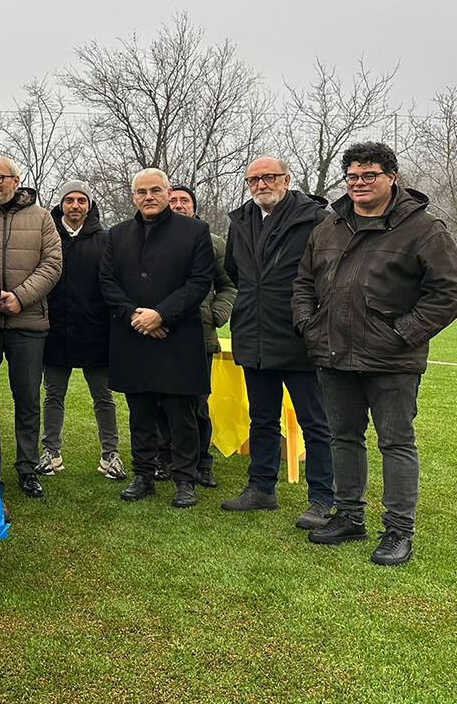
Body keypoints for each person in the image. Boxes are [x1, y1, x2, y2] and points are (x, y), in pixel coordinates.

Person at [294, 142, 457, 565]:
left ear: (392, 178)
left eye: (369, 175)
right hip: (333, 354)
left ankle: (399, 531)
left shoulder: (424, 229)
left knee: (396, 442)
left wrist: (404, 333)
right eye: (352, 176)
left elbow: (448, 292)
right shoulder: (328, 228)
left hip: (392, 360)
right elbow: (303, 282)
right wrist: (308, 325)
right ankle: (349, 516)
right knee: (342, 437)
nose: (359, 183)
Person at [220, 157, 335, 529]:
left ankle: (321, 498)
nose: (260, 185)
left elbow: (329, 276)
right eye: (253, 179)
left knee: (315, 423)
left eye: (268, 177)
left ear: (286, 179)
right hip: (253, 336)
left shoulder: (315, 219)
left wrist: (310, 322)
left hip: (299, 337)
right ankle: (261, 488)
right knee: (262, 419)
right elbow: (236, 272)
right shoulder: (241, 222)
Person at [100, 168, 214, 508]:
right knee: (141, 413)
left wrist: (161, 314)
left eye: (155, 190)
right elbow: (107, 281)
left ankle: (184, 480)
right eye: (141, 191)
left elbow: (199, 281)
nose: (148, 197)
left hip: (177, 337)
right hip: (133, 336)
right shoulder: (117, 234)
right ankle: (143, 475)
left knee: (183, 416)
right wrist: (136, 315)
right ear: (133, 196)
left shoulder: (195, 231)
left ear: (167, 193)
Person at [0, 156, 62, 498]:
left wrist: (20, 297)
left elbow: (52, 264)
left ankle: (27, 467)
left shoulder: (41, 218)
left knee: (27, 399)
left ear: (16, 180)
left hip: (28, 323)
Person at [40, 181, 123, 480]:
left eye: (81, 200)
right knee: (53, 395)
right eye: (69, 200)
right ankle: (51, 452)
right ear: (61, 204)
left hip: (96, 332)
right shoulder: (47, 237)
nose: (75, 206)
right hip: (56, 332)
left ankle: (110, 455)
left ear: (89, 205)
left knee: (103, 397)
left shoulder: (106, 239)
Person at [156, 185, 237, 487]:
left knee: (197, 405)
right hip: (159, 334)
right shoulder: (153, 239)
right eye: (173, 199)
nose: (177, 205)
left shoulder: (212, 242)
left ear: (193, 206)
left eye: (184, 200)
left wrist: (216, 315)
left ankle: (202, 462)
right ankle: (164, 459)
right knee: (160, 401)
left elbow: (229, 285)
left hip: (199, 335)